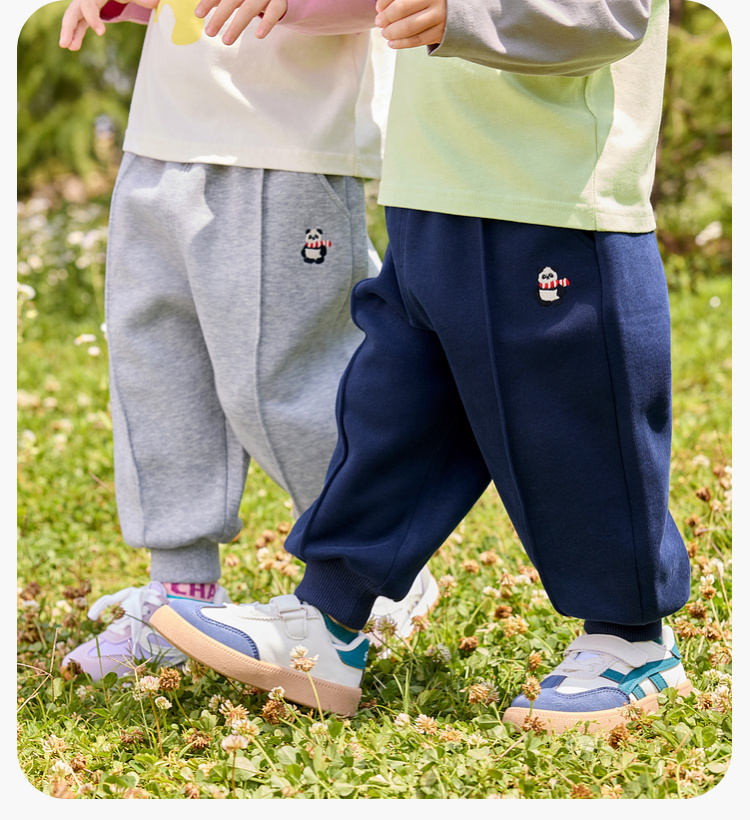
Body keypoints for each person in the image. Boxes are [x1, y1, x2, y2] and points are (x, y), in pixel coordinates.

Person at [150, 0, 694, 733]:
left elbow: (612, 13)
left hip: (549, 191)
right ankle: (328, 618)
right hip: (427, 186)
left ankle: (632, 639)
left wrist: (462, 12)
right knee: (395, 415)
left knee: (574, 422)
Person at [58, 0, 438, 681]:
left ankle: (373, 570)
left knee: (287, 385)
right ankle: (179, 593)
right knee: (157, 373)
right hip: (160, 136)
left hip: (285, 144)